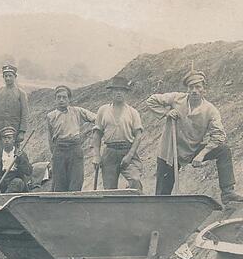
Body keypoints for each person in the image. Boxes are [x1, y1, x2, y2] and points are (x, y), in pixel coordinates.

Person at [146, 70, 243, 204]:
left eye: (198, 87)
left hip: (191, 149)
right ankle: (160, 215)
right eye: (191, 87)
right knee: (162, 195)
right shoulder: (176, 98)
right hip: (170, 151)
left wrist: (201, 154)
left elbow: (218, 135)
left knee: (224, 150)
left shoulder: (210, 110)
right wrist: (167, 112)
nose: (194, 91)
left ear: (204, 89)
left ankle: (228, 192)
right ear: (187, 89)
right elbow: (151, 100)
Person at [92, 77, 144, 191]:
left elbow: (138, 136)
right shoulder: (103, 110)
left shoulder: (132, 112)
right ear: (111, 92)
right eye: (116, 90)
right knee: (109, 190)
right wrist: (96, 155)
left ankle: (134, 206)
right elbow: (97, 134)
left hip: (127, 150)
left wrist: (129, 156)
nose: (119, 93)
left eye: (122, 90)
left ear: (126, 93)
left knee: (135, 180)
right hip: (109, 153)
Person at [46, 85, 96, 192]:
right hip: (59, 150)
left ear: (69, 99)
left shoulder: (77, 111)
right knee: (59, 183)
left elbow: (96, 119)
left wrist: (98, 129)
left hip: (75, 149)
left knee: (76, 180)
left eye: (64, 97)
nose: (61, 100)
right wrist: (54, 154)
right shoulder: (51, 116)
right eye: (59, 97)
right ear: (55, 99)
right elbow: (50, 137)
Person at [0, 64, 30, 156]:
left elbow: (25, 114)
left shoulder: (21, 93)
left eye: (10, 76)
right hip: (0, 131)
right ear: (3, 77)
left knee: (14, 155)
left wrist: (22, 132)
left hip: (14, 132)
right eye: (5, 76)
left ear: (15, 77)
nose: (8, 78)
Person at [0, 127, 32, 193]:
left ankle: (6, 196)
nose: (6, 140)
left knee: (18, 182)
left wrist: (20, 159)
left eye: (9, 138)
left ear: (13, 140)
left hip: (14, 179)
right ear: (1, 140)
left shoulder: (20, 154)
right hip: (2, 181)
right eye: (4, 138)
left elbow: (28, 172)